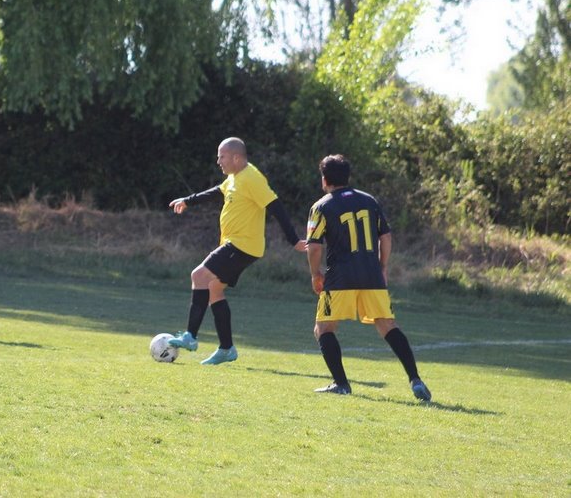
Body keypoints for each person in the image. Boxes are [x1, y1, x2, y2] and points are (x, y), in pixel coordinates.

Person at [166, 137, 307, 364]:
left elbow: (276, 207)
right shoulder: (234, 177)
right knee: (214, 289)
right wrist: (188, 200)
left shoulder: (252, 178)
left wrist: (294, 240)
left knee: (199, 275)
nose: (218, 161)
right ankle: (226, 349)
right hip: (235, 244)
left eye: (221, 156)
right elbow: (216, 192)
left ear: (236, 157)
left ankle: (190, 336)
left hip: (243, 245)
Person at [305, 154, 431, 401]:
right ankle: (415, 379)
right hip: (371, 275)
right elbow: (386, 237)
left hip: (339, 278)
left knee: (323, 328)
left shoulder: (321, 206)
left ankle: (341, 384)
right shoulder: (369, 201)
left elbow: (314, 247)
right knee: (387, 325)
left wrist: (315, 273)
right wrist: (383, 266)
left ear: (324, 179)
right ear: (347, 177)